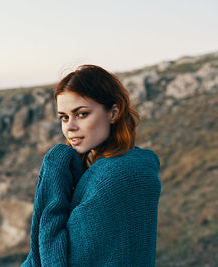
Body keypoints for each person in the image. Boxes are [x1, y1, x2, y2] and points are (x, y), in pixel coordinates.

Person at [22, 65, 161, 266]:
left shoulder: (114, 177)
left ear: (113, 113)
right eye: (64, 117)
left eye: (82, 114)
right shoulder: (110, 168)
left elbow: (59, 261)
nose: (70, 127)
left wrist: (54, 169)